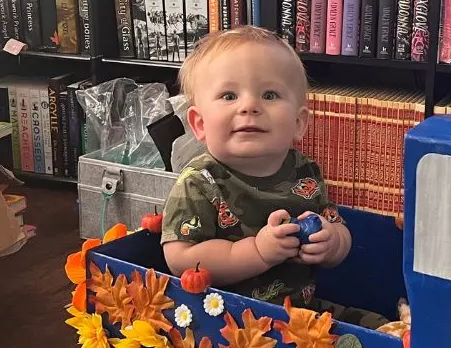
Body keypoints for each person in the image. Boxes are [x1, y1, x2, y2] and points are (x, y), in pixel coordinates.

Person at [159, 26, 388, 329]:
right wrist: (256, 252)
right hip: (226, 325)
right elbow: (179, 258)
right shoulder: (199, 182)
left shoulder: (304, 171)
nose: (249, 106)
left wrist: (331, 243)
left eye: (270, 94)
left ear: (298, 122)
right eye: (229, 95)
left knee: (384, 331)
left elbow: (336, 224)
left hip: (300, 314)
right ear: (199, 124)